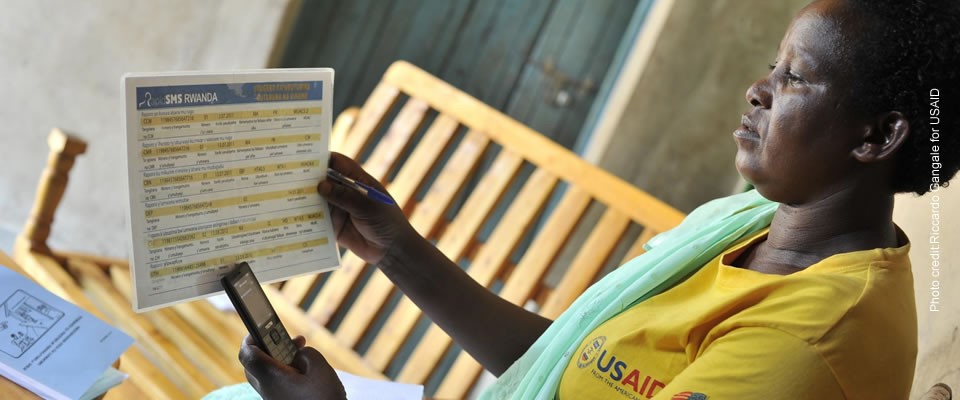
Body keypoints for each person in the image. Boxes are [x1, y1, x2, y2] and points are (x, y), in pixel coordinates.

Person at [237, 0, 959, 398]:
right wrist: (394, 247)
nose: (758, 89)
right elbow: (573, 362)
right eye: (773, 65)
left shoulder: (806, 346)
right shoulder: (749, 228)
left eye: (795, 78)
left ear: (878, 136)